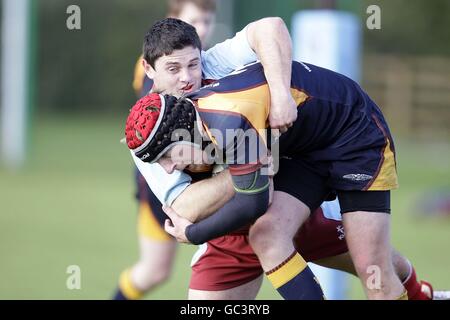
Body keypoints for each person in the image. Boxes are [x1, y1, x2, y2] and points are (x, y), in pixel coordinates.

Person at [127, 59, 411, 300]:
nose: (169, 168)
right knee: (267, 235)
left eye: (168, 156)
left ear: (181, 131)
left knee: (373, 270)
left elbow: (254, 201)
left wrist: (192, 234)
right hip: (305, 151)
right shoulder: (201, 120)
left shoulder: (228, 122)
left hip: (354, 133)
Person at [114, 15, 298, 299]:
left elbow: (271, 27)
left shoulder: (212, 62)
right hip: (227, 226)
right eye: (173, 68)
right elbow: (185, 208)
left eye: (192, 64)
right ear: (147, 69)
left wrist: (281, 95)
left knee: (374, 264)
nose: (187, 78)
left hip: (289, 196)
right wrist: (253, 165)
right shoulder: (143, 132)